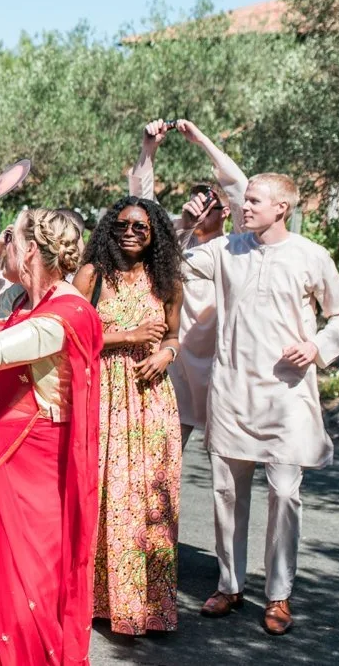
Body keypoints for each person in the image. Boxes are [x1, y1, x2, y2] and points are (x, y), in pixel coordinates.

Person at [201, 172, 339, 636]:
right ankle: (229, 584)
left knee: (286, 494)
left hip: (287, 395)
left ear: (281, 208)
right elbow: (175, 258)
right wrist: (195, 222)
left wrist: (316, 347)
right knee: (227, 493)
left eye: (253, 200)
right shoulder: (226, 249)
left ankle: (278, 595)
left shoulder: (310, 255)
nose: (244, 207)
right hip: (232, 390)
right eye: (244, 199)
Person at [0, 209, 103, 666]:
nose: (6, 244)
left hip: (30, 471)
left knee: (25, 587)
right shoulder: (31, 306)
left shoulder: (66, 314)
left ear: (32, 250)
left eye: (11, 237)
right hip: (7, 463)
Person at [75, 199, 183, 636]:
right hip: (101, 394)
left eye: (141, 226)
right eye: (122, 224)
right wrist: (127, 336)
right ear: (109, 227)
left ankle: (145, 605)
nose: (131, 231)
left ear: (156, 231)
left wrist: (166, 355)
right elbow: (68, 334)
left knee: (148, 497)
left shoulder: (168, 281)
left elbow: (175, 333)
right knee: (101, 493)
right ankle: (91, 600)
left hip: (152, 399)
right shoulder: (92, 275)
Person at [129, 117, 248, 444]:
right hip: (176, 363)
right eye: (196, 200)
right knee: (164, 456)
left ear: (225, 212)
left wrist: (203, 141)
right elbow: (141, 207)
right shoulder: (174, 238)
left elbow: (240, 189)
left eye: (210, 202)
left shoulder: (237, 246)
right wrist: (148, 150)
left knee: (225, 475)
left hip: (220, 366)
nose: (201, 207)